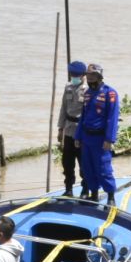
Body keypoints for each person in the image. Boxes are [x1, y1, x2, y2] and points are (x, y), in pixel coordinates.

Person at [76, 63, 119, 205]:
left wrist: (109, 139)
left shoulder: (110, 93)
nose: (90, 79)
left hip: (101, 139)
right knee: (88, 168)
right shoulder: (87, 93)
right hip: (87, 137)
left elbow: (112, 118)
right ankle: (93, 195)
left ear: (99, 77)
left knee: (103, 168)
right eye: (88, 76)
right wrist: (78, 136)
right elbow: (83, 116)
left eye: (93, 76)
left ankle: (111, 197)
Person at [56, 60, 86, 197]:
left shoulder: (87, 90)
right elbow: (63, 108)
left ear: (82, 75)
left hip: (81, 132)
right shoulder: (68, 87)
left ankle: (86, 189)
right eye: (72, 74)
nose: (73, 77)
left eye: (76, 75)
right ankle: (68, 189)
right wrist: (60, 129)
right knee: (67, 163)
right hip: (68, 131)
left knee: (84, 163)